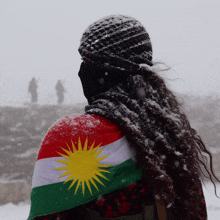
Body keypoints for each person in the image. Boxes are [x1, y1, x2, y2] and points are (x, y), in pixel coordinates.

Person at [28, 15, 219, 220]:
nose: (82, 70)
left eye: (87, 61)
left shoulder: (73, 135)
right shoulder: (171, 138)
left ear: (108, 67)